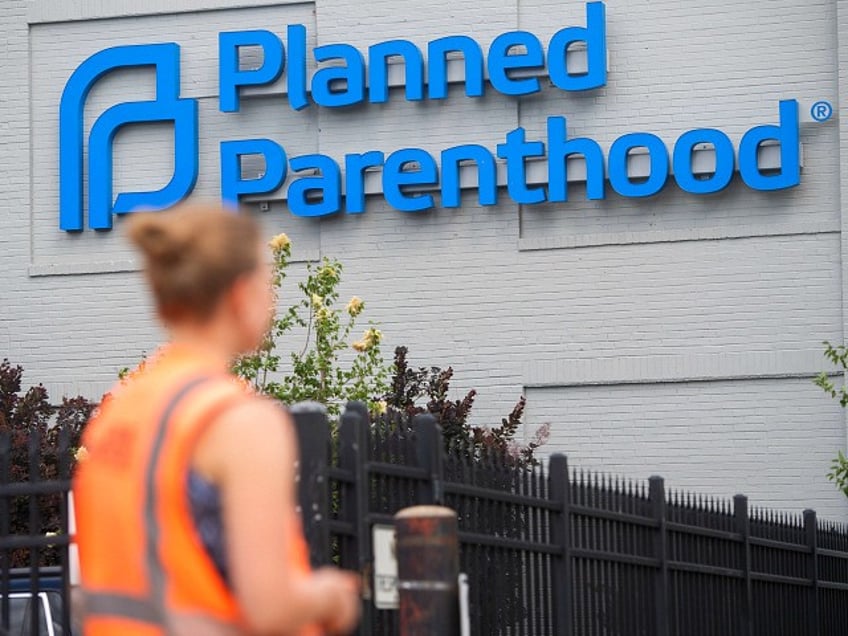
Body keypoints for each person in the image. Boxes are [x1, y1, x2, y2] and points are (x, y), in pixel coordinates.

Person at [72, 203, 361, 636]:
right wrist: (331, 594)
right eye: (269, 284)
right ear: (241, 295)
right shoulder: (240, 421)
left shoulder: (120, 412)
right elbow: (271, 608)